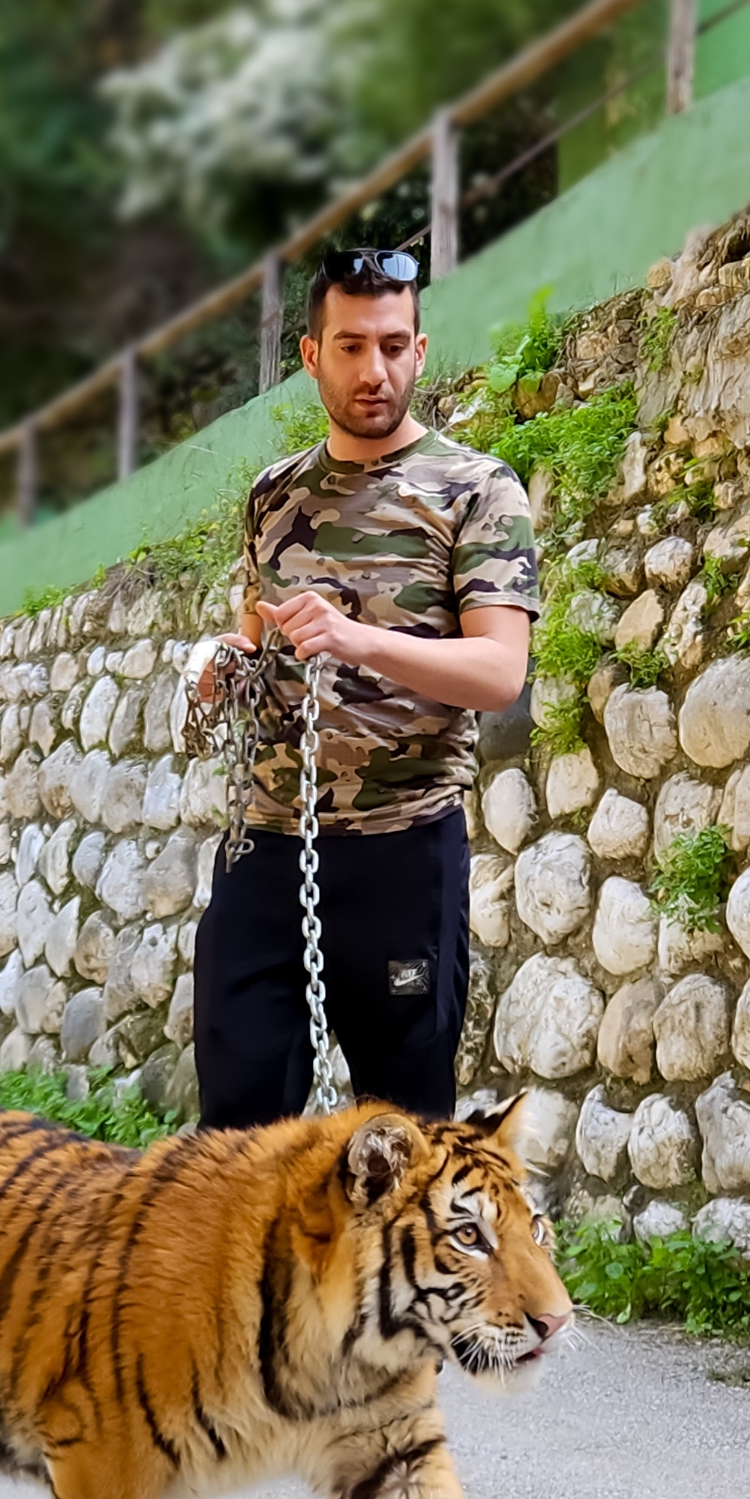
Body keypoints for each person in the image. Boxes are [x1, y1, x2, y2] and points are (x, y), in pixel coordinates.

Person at [192, 245, 540, 1129]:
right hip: (269, 848)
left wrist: (355, 639)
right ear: (311, 357)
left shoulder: (477, 491)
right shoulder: (274, 496)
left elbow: (499, 672)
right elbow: (258, 635)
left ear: (421, 350)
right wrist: (217, 670)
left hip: (402, 852)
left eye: (392, 345)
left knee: (404, 1138)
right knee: (239, 1134)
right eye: (350, 346)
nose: (373, 370)